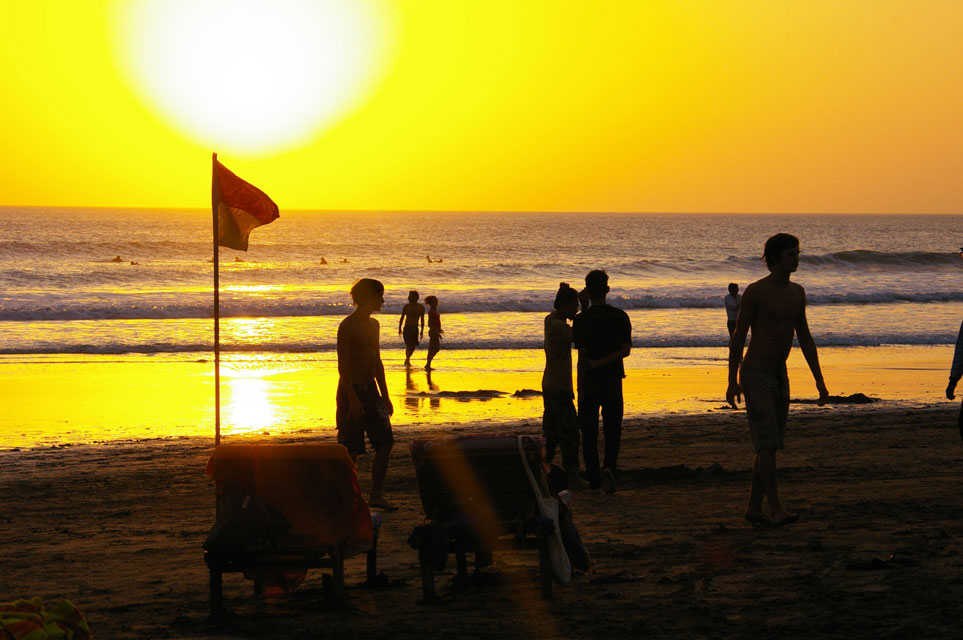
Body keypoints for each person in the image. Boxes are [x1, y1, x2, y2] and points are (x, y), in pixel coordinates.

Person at [727, 233, 828, 527]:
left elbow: (805, 337)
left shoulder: (798, 292)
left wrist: (819, 381)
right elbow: (738, 337)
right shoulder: (756, 292)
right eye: (789, 254)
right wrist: (732, 380)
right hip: (755, 373)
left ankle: (753, 508)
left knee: (772, 444)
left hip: (778, 374)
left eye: (797, 253)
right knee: (767, 444)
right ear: (773, 259)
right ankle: (776, 509)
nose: (795, 259)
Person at [337, 278, 396, 510]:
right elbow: (343, 366)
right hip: (351, 390)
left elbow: (377, 361)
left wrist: (385, 394)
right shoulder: (348, 325)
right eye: (379, 295)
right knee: (352, 448)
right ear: (367, 297)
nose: (382, 300)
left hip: (371, 390)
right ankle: (351, 498)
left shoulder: (374, 325)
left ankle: (376, 495)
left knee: (385, 443)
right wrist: (352, 399)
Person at [572, 270, 632, 493]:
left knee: (588, 432)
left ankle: (594, 477)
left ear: (587, 290)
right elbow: (625, 350)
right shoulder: (620, 316)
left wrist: (581, 385)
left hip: (590, 382)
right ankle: (609, 468)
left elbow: (582, 358)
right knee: (612, 429)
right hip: (613, 380)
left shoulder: (581, 320)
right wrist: (604, 363)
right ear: (607, 289)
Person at [542, 283, 582, 484]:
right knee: (570, 432)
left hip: (549, 383)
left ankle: (541, 468)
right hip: (560, 386)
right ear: (564, 306)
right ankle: (572, 472)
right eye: (574, 306)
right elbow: (580, 336)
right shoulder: (560, 328)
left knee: (551, 431)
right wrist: (587, 308)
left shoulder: (549, 320)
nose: (576, 310)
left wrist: (563, 291)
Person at [398, 290, 426, 368]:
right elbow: (402, 317)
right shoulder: (406, 307)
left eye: (410, 296)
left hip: (415, 328)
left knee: (413, 346)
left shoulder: (421, 307)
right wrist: (399, 328)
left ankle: (407, 359)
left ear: (415, 298)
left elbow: (422, 319)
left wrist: (422, 330)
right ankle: (407, 359)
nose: (408, 298)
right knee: (408, 345)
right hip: (407, 327)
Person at [424, 295, 442, 370]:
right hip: (433, 331)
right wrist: (435, 330)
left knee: (435, 348)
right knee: (433, 348)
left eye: (436, 301)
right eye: (435, 301)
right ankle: (428, 364)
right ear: (431, 303)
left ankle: (428, 364)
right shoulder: (431, 311)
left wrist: (439, 331)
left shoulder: (435, 310)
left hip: (435, 331)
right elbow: (429, 323)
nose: (437, 302)